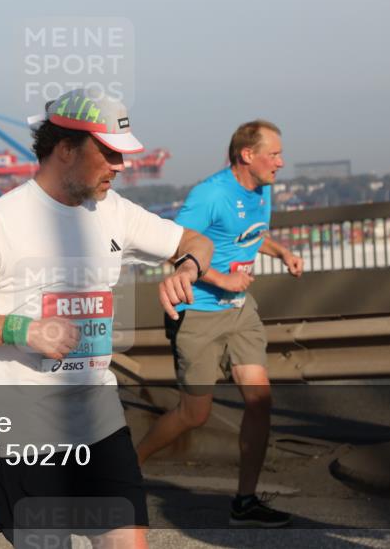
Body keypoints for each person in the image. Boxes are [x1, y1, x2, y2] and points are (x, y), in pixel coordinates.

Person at [0, 89, 216, 548]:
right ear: (65, 149)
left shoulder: (113, 212)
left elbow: (196, 242)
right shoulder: (0, 221)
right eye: (108, 153)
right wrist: (23, 329)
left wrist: (187, 269)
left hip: (99, 423)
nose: (120, 166)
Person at [135, 120, 304, 528]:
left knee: (259, 401)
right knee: (194, 414)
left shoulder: (262, 189)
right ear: (248, 155)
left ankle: (245, 502)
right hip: (199, 314)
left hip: (241, 312)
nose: (280, 162)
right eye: (274, 154)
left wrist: (281, 252)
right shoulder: (209, 194)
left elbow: (250, 234)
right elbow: (175, 251)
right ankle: (127, 469)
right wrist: (221, 279)